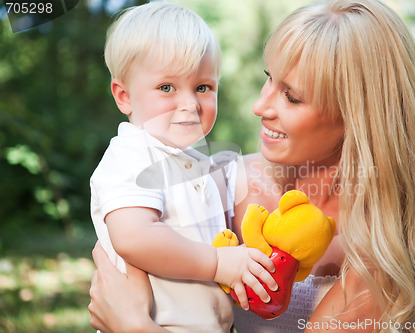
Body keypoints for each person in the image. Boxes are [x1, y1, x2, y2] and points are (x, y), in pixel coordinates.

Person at [89, 0, 415, 332]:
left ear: (356, 118)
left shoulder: (384, 250)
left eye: (291, 97)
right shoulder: (218, 180)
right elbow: (125, 250)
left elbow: (126, 308)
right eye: (268, 79)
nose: (260, 107)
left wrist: (132, 326)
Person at [89, 1, 278, 332]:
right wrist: (218, 263)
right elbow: (134, 236)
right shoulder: (132, 154)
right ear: (124, 96)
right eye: (167, 88)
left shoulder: (198, 164)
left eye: (203, 87)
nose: (190, 104)